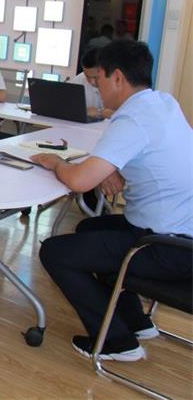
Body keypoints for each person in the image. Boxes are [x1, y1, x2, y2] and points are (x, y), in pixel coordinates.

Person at [33, 40, 193, 362]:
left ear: (117, 77)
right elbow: (153, 154)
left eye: (99, 80)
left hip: (168, 248)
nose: (97, 88)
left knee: (54, 252)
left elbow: (79, 181)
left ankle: (117, 342)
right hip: (181, 234)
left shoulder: (132, 120)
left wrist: (57, 163)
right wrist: (113, 167)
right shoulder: (163, 103)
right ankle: (135, 321)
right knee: (90, 229)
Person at [70, 48, 114, 120]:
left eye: (96, 77)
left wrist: (100, 112)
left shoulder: (119, 84)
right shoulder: (79, 80)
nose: (92, 82)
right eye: (87, 76)